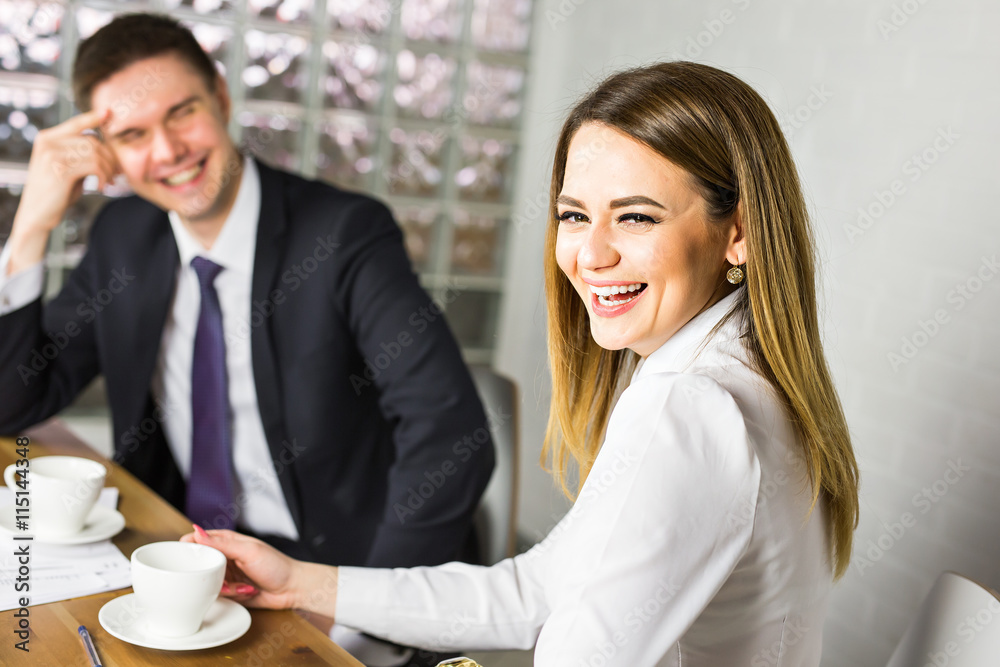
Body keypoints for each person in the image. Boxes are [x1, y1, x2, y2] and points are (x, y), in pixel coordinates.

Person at [182, 61, 861, 666]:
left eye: (636, 218)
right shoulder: (740, 377)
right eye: (573, 215)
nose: (590, 256)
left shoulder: (688, 408)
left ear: (736, 232)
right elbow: (537, 590)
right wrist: (298, 579)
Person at [0, 13, 493, 665]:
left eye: (183, 112)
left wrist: (360, 619)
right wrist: (30, 223)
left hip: (337, 571)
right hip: (189, 568)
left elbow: (450, 433)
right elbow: (14, 401)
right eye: (132, 134)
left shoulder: (345, 234)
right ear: (105, 151)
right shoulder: (125, 235)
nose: (168, 149)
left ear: (223, 98)